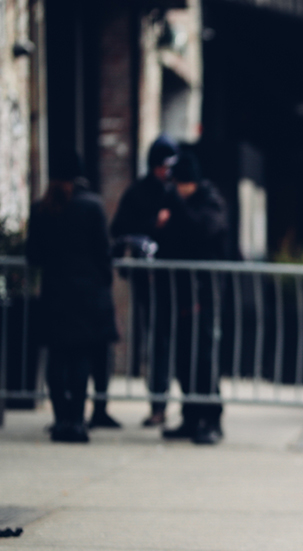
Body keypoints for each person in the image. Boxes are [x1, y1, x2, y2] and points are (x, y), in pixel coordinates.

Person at [26, 151, 118, 443]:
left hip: (54, 292)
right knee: (80, 358)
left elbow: (33, 254)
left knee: (56, 357)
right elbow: (104, 252)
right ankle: (76, 422)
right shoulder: (92, 206)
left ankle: (61, 419)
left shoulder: (42, 208)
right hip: (87, 294)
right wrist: (104, 280)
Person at [155, 150, 233, 445]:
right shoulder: (175, 200)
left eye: (182, 184)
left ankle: (211, 418)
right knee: (183, 357)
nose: (179, 190)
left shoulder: (209, 202)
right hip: (179, 293)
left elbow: (204, 230)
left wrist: (174, 208)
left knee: (203, 357)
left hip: (205, 291)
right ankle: (191, 416)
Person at [111, 134, 179, 427]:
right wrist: (153, 225)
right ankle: (158, 404)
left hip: (175, 281)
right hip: (150, 281)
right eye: (165, 166)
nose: (169, 172)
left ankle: (170, 405)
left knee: (168, 342)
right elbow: (120, 229)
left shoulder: (176, 191)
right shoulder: (139, 193)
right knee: (156, 342)